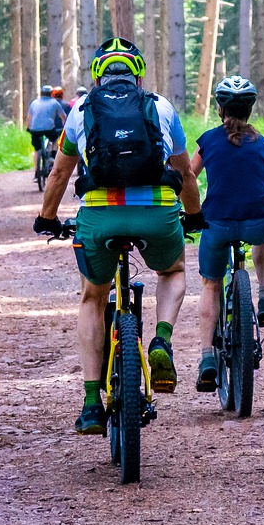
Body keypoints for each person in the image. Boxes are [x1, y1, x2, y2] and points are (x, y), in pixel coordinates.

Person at [34, 37, 204, 435]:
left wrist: (47, 218)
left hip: (101, 216)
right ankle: (161, 340)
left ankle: (92, 403)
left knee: (93, 297)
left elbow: (59, 173)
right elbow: (186, 173)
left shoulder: (80, 109)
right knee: (173, 271)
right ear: (138, 72)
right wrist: (193, 216)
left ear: (97, 76)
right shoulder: (161, 107)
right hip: (157, 214)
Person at [187, 76, 264, 392]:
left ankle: (207, 356)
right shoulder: (263, 144)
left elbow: (188, 178)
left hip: (217, 223)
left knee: (211, 283)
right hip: (258, 220)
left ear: (219, 108)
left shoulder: (207, 141)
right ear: (250, 109)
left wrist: (188, 211)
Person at [26, 85, 68, 177]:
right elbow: (63, 116)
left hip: (35, 129)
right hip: (49, 128)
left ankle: (36, 173)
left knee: (37, 150)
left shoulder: (34, 102)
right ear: (51, 94)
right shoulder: (55, 102)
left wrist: (28, 128)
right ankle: (52, 155)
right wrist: (65, 126)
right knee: (55, 139)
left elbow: (29, 117)